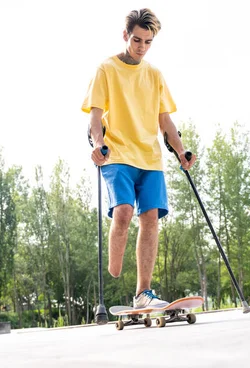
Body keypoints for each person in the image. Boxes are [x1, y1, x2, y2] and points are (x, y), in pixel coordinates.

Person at [82, 8, 196, 309]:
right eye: (137, 40)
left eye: (147, 41)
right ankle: (115, 267)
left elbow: (166, 122)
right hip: (117, 152)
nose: (141, 47)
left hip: (150, 157)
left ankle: (143, 292)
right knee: (123, 212)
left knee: (150, 218)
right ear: (125, 36)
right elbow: (95, 116)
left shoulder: (155, 75)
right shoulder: (106, 69)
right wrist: (98, 143)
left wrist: (181, 149)